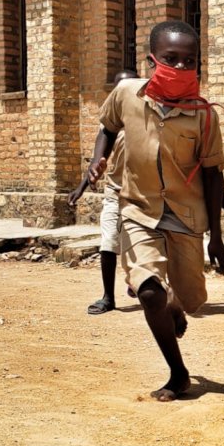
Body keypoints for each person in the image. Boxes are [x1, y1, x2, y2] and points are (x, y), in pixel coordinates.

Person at [87, 19, 224, 401]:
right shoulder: (126, 94)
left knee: (191, 298)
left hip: (185, 215)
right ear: (152, 59)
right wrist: (96, 160)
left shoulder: (203, 114)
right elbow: (107, 127)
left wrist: (216, 237)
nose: (181, 68)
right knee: (149, 292)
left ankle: (176, 305)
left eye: (189, 61)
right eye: (171, 59)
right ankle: (178, 372)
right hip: (137, 207)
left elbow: (214, 175)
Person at [69, 70, 139, 315]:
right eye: (118, 89)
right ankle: (108, 297)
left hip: (143, 195)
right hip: (115, 191)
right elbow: (98, 162)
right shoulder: (108, 124)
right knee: (108, 242)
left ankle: (137, 283)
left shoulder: (146, 117)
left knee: (141, 246)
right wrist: (81, 188)